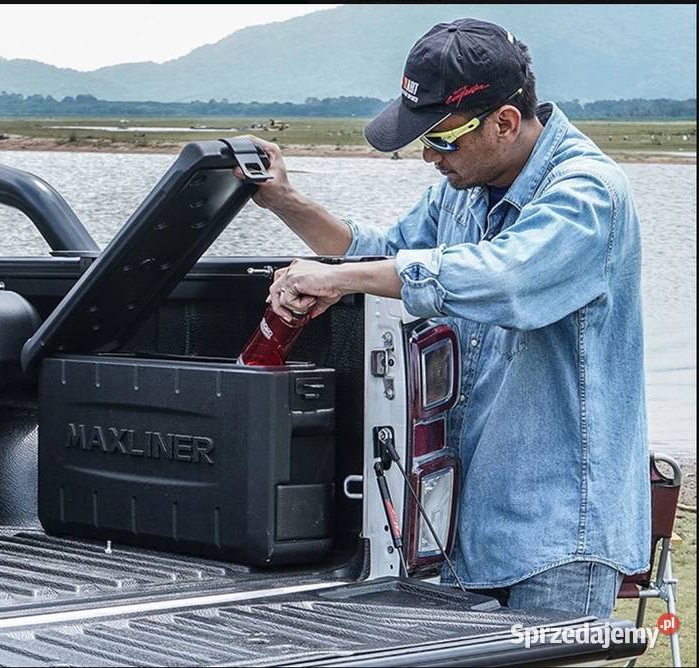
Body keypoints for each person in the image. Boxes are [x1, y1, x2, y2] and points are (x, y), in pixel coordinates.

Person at [239, 18, 650, 619]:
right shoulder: (462, 186)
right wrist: (285, 200)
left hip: (559, 536)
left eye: (441, 137)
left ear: (504, 123)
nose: (429, 156)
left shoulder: (587, 194)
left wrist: (338, 280)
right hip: (459, 527)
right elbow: (383, 252)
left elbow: (499, 275)